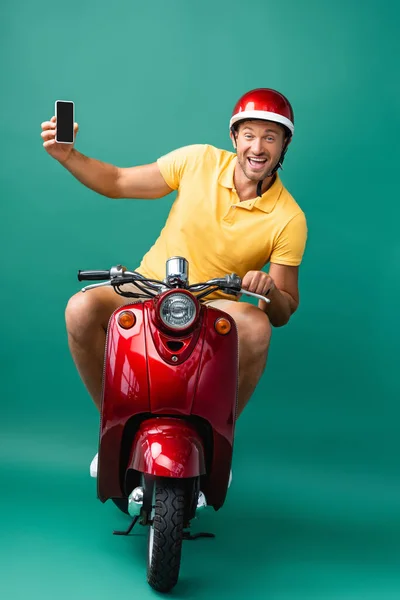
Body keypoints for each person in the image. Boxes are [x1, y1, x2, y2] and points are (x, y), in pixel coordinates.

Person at [41, 88, 308, 480]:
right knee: (79, 309)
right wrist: (69, 156)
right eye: (249, 134)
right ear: (234, 138)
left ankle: (218, 438)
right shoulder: (197, 160)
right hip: (152, 288)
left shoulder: (289, 218)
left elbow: (284, 309)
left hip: (214, 304)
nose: (258, 146)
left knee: (258, 325)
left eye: (271, 136)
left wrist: (269, 290)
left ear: (284, 144)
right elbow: (116, 181)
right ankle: (115, 430)